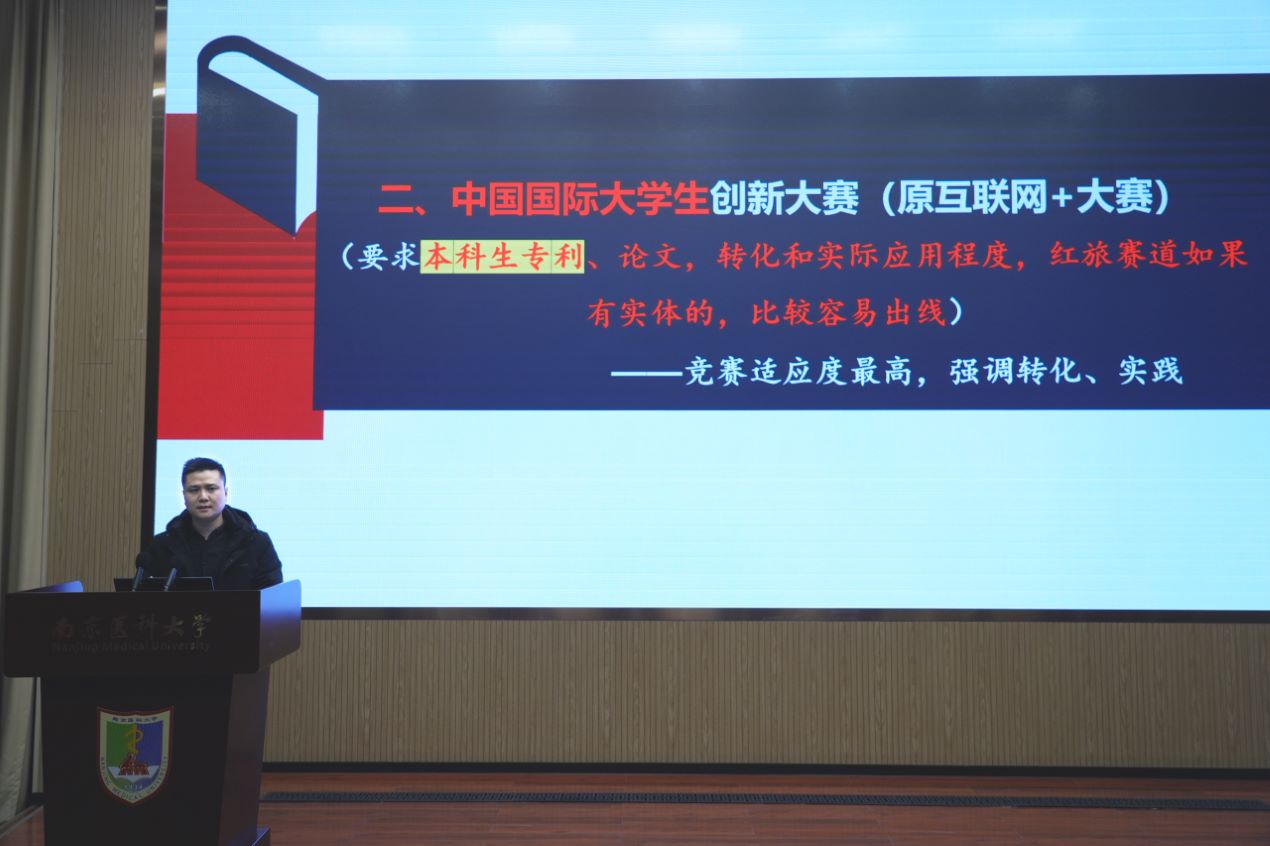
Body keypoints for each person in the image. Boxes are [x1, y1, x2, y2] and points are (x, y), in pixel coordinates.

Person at [135, 457, 283, 589]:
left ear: (226, 493)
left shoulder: (256, 542)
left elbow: (273, 601)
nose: (203, 497)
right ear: (184, 496)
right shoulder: (162, 545)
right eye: (194, 490)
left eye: (211, 488)